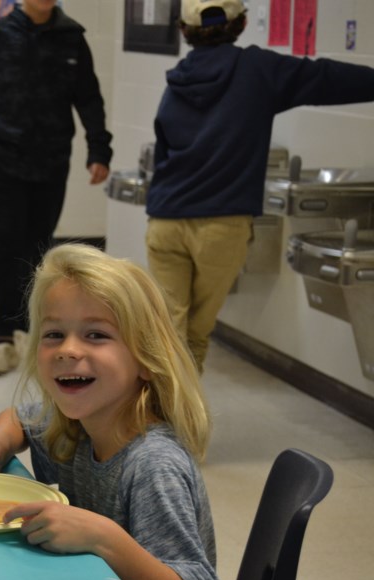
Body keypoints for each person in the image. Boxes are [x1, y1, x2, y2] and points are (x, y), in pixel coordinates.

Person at [0, 244, 218, 580]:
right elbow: (19, 418)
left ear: (146, 359)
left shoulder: (153, 466)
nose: (68, 350)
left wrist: (103, 537)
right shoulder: (74, 426)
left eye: (96, 334)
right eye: (54, 334)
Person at [146, 0, 374, 370]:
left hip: (166, 223)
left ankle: (156, 421)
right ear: (241, 23)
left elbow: (163, 150)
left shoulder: (177, 79)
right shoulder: (256, 69)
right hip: (221, 225)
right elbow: (326, 78)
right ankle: (173, 424)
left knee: (166, 335)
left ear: (183, 31)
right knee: (193, 338)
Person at [0, 0, 113, 376]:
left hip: (50, 164)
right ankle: (3, 339)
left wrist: (99, 150)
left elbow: (89, 98)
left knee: (38, 251)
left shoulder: (73, 38)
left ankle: (31, 333)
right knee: (3, 249)